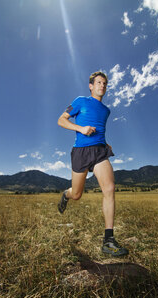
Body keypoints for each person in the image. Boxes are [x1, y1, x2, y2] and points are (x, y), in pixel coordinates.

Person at [57, 71, 128, 256]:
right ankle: (66, 194)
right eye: (99, 82)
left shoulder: (106, 111)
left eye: (105, 83)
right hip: (80, 151)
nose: (102, 86)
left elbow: (100, 129)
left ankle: (108, 240)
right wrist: (81, 128)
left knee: (110, 188)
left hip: (99, 152)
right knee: (77, 194)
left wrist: (104, 143)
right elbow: (61, 120)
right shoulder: (81, 101)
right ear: (91, 85)